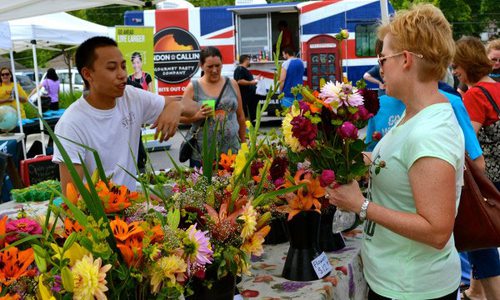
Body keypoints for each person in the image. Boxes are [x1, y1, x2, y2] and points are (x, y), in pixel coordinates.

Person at [326, 4, 463, 299]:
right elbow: (402, 165)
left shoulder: (430, 133)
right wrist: (358, 161)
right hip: (395, 280)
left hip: (412, 288)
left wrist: (360, 205)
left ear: (406, 60)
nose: (379, 67)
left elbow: (437, 231)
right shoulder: (414, 113)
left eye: (382, 58)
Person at [52, 36, 197, 193]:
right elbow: (71, 195)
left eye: (123, 66)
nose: (122, 74)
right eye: (112, 68)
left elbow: (196, 107)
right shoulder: (71, 124)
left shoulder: (131, 96)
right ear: (88, 74)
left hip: (130, 205)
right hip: (99, 213)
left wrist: (177, 106)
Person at [453, 36, 500, 300]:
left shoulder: (475, 95)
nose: (454, 70)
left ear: (467, 63)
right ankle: (476, 290)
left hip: (486, 178)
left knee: (481, 240)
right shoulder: (497, 88)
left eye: (457, 64)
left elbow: (470, 145)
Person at [180, 46, 246, 168]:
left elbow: (241, 117)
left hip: (232, 152)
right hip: (202, 155)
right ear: (201, 66)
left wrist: (244, 145)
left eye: (218, 65)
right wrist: (197, 116)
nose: (215, 70)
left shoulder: (232, 84)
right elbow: (179, 117)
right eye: (210, 67)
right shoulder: (193, 88)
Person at [234, 54, 259, 123]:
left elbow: (247, 80)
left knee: (250, 115)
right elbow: (239, 81)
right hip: (244, 98)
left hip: (249, 97)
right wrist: (252, 82)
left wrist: (255, 79)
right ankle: (246, 130)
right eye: (249, 60)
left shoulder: (244, 70)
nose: (249, 61)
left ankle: (249, 128)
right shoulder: (240, 69)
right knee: (245, 114)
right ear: (245, 60)